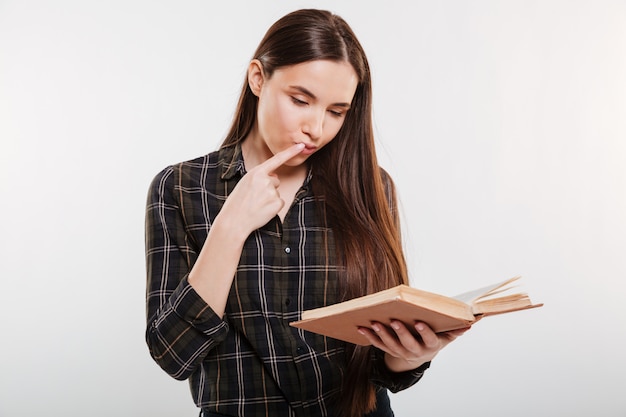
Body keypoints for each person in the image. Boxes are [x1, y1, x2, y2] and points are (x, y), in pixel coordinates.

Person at [145, 8, 469, 417]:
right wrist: (231, 225)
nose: (317, 128)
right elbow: (173, 353)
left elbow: (380, 354)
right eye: (301, 100)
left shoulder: (369, 186)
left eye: (336, 111)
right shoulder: (180, 188)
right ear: (258, 79)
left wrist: (408, 356)